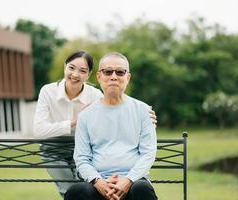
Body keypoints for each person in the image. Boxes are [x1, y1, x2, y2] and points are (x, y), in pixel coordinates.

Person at [33, 50, 157, 197]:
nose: (113, 77)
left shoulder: (142, 110)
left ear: (128, 77)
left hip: (134, 181)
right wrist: (98, 181)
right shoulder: (85, 114)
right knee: (76, 191)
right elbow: (82, 157)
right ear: (99, 76)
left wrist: (128, 180)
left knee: (141, 188)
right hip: (92, 177)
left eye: (120, 72)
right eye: (108, 72)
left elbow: (148, 153)